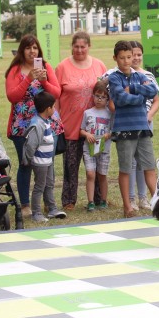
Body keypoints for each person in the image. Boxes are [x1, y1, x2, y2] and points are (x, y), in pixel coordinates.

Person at [5, 35, 62, 215]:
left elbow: (56, 93)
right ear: (22, 50)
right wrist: (28, 78)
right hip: (23, 125)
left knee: (47, 163)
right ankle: (25, 204)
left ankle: (48, 203)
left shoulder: (46, 67)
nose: (32, 51)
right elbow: (12, 96)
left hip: (47, 123)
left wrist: (44, 80)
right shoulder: (15, 70)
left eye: (35, 48)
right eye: (28, 48)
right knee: (26, 163)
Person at [55, 32, 107, 211]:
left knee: (96, 164)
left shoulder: (99, 65)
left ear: (89, 46)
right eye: (76, 46)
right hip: (71, 125)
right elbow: (56, 96)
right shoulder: (62, 67)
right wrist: (56, 118)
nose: (79, 50)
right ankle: (69, 199)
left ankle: (98, 198)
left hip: (95, 128)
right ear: (72, 46)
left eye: (83, 47)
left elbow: (105, 92)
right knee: (70, 166)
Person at [109, 40, 158, 217]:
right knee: (125, 168)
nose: (126, 61)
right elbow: (121, 99)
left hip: (142, 128)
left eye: (129, 57)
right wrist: (140, 98)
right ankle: (127, 207)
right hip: (124, 130)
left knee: (149, 166)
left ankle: (158, 203)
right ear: (115, 58)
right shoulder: (114, 78)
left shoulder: (139, 76)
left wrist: (134, 89)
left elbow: (152, 91)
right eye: (122, 58)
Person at [22, 91, 67, 223]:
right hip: (40, 162)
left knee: (49, 184)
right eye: (53, 107)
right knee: (39, 186)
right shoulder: (37, 124)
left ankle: (52, 209)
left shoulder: (46, 121)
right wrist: (29, 159)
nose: (55, 109)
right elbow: (31, 145)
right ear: (48, 109)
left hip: (48, 161)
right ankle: (36, 213)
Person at [128, 40, 159, 211]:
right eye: (132, 55)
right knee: (130, 163)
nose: (136, 58)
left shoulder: (148, 76)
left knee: (143, 162)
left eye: (139, 54)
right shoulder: (123, 75)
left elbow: (156, 101)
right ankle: (131, 199)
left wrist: (149, 115)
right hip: (129, 123)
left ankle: (143, 197)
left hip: (146, 122)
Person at [80, 80, 112, 212]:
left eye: (103, 97)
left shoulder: (110, 113)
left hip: (104, 149)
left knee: (102, 174)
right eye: (97, 96)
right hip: (89, 149)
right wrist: (87, 134)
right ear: (93, 96)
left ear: (107, 99)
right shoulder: (88, 113)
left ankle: (103, 200)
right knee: (90, 174)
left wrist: (107, 135)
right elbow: (81, 130)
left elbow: (113, 130)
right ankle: (91, 201)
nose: (99, 99)